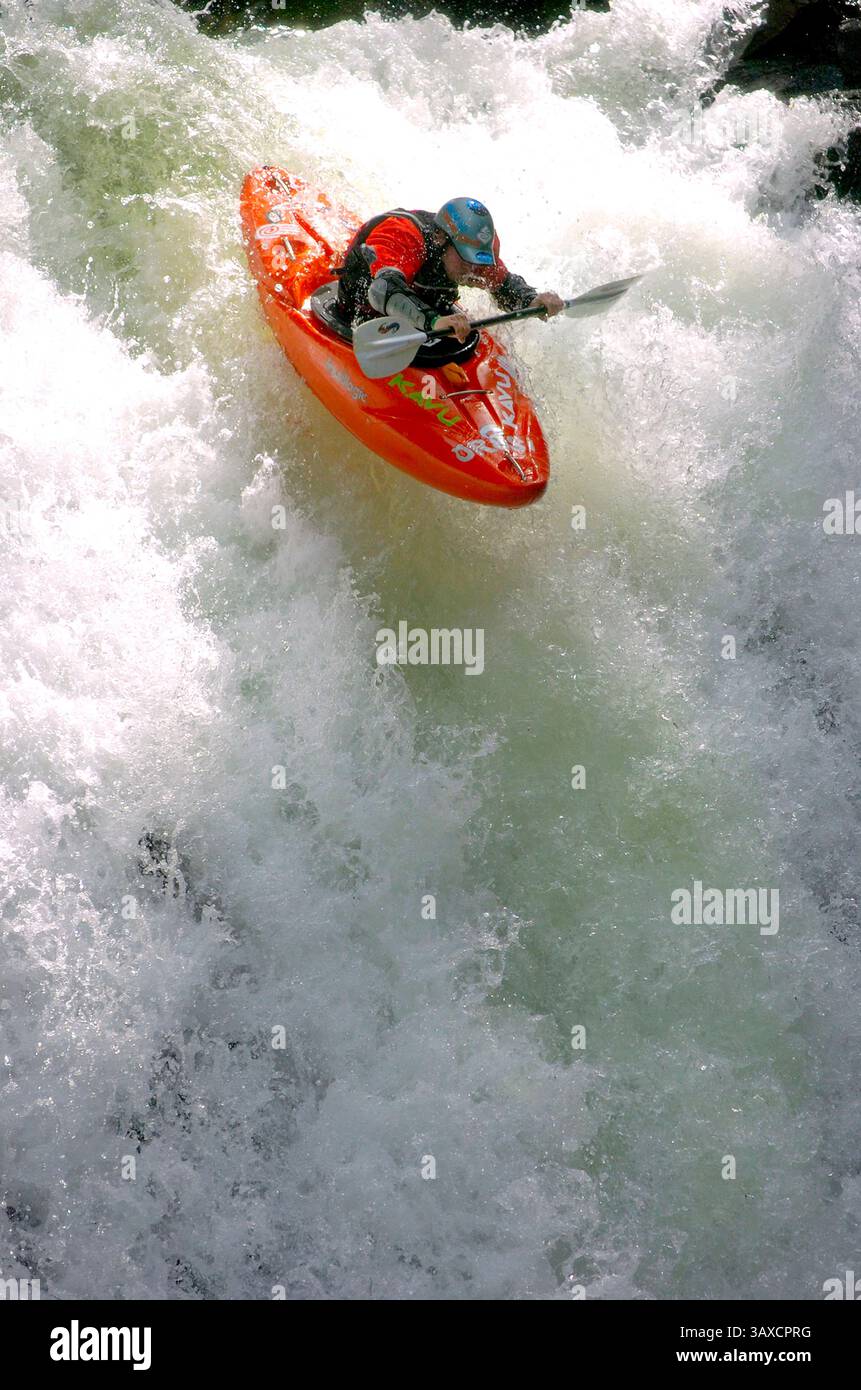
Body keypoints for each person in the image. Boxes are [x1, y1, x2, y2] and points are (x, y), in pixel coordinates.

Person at [335, 196, 563, 341]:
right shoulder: (404, 235)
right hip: (359, 312)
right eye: (465, 260)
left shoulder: (474, 253)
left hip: (421, 312)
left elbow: (503, 283)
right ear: (440, 238)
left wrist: (532, 300)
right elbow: (383, 290)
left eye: (478, 261)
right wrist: (435, 322)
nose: (474, 270)